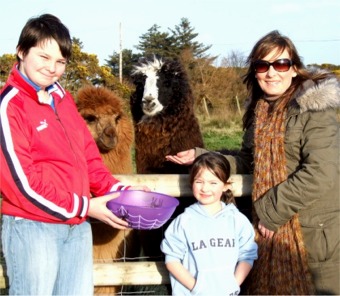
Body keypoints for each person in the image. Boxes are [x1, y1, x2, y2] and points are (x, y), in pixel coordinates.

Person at [166, 30, 340, 295]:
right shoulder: (259, 111)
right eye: (262, 65)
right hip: (270, 229)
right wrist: (201, 156)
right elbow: (249, 162)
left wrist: (270, 211)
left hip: (314, 232)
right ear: (255, 71)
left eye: (281, 64)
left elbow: (322, 171)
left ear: (294, 69)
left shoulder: (314, 109)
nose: (272, 73)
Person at [0, 14, 149, 295]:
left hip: (76, 228)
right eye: (44, 57)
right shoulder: (10, 107)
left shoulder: (63, 99)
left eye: (60, 62)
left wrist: (121, 191)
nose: (52, 69)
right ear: (21, 51)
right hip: (35, 228)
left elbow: (89, 160)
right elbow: (21, 185)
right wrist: (85, 208)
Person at [161, 152, 257, 295]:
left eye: (213, 183)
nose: (205, 188)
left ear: (225, 185)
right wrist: (196, 288)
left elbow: (247, 255)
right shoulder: (183, 222)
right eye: (199, 182)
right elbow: (172, 260)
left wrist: (233, 285)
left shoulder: (237, 220)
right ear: (191, 183)